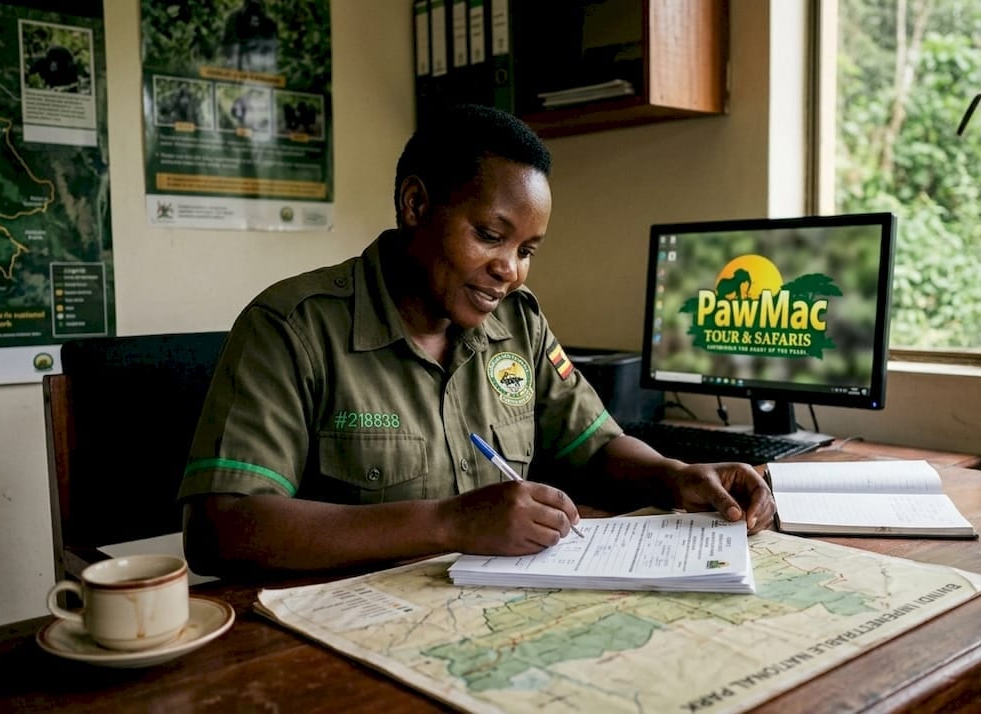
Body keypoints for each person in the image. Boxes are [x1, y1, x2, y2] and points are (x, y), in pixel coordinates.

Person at [179, 104, 775, 576]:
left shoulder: (518, 324)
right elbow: (220, 528)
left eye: (526, 251)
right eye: (491, 235)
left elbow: (594, 448)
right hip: (343, 634)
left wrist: (676, 474)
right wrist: (447, 522)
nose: (510, 269)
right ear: (416, 204)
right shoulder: (292, 328)